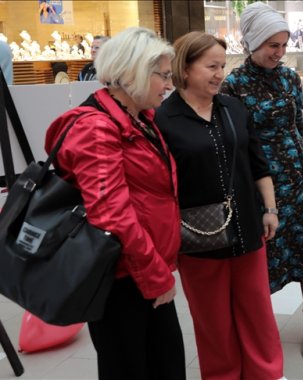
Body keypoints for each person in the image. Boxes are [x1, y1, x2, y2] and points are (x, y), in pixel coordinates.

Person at [43, 27, 185, 379]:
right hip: (122, 278)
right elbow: (111, 213)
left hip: (144, 269)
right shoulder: (97, 129)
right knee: (131, 366)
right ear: (132, 72)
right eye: (163, 75)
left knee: (164, 363)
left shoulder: (138, 120)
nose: (169, 84)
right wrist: (155, 277)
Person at [155, 31, 285, 380]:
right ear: (184, 68)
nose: (219, 74)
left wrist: (270, 210)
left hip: (247, 230)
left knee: (257, 314)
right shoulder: (163, 120)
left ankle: (266, 374)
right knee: (213, 322)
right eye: (211, 66)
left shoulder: (233, 108)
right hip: (199, 238)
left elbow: (258, 164)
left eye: (222, 66)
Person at [222, 2, 303, 360]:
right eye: (272, 45)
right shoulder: (233, 85)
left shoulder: (289, 78)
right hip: (264, 185)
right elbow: (235, 143)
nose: (280, 53)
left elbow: (299, 128)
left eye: (284, 45)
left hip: (301, 179)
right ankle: (260, 330)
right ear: (252, 42)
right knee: (265, 259)